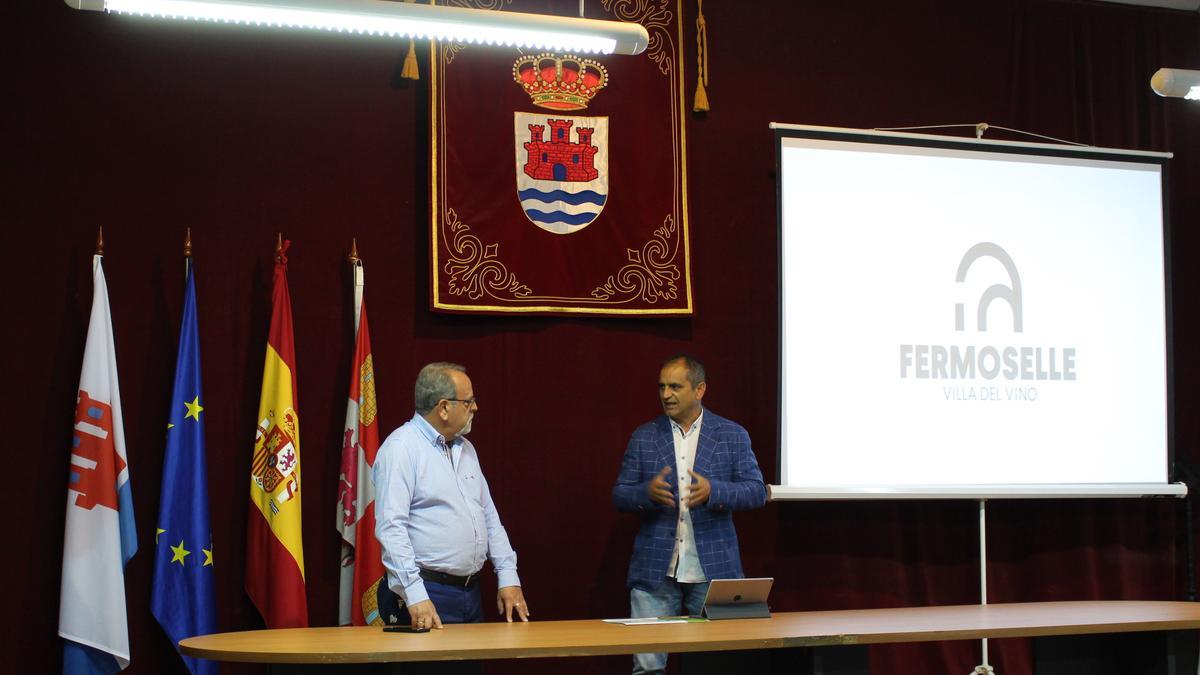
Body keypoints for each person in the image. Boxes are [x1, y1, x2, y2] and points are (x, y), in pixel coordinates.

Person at [612, 354, 767, 675]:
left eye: (675, 386)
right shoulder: (644, 435)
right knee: (647, 667)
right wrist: (646, 494)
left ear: (699, 390)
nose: (666, 394)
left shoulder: (731, 434)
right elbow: (620, 494)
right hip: (655, 574)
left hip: (712, 573)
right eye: (662, 386)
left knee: (716, 665)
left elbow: (755, 490)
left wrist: (715, 491)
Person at [373, 362, 530, 644]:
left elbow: (489, 517)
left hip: (470, 593)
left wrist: (508, 575)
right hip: (426, 593)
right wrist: (415, 594)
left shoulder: (466, 448)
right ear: (443, 408)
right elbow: (391, 528)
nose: (476, 408)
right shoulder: (401, 448)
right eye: (468, 401)